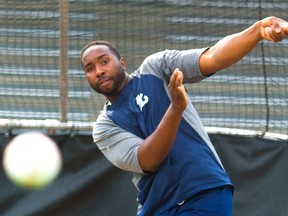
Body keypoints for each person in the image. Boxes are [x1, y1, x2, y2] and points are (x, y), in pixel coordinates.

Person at [80, 16, 288, 216]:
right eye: (90, 69)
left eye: (104, 61)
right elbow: (149, 160)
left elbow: (213, 56)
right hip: (156, 206)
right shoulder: (104, 127)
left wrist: (257, 31)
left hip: (203, 191)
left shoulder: (155, 67)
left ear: (122, 63)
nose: (99, 71)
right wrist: (175, 109)